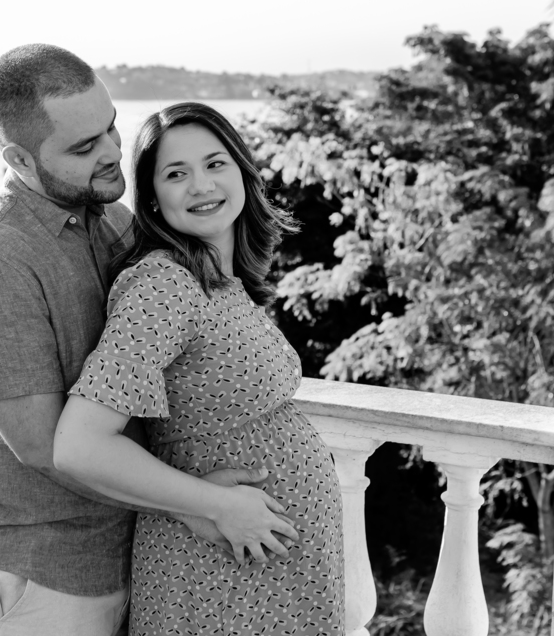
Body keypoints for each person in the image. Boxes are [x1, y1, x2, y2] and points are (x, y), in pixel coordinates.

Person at [0, 46, 276, 636]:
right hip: (31, 578)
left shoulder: (114, 223)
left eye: (110, 126)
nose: (114, 152)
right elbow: (45, 447)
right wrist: (202, 503)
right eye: (83, 147)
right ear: (18, 157)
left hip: (128, 561)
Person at [53, 101, 346, 635]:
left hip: (266, 572)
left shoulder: (221, 281)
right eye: (175, 173)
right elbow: (80, 445)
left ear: (241, 171)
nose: (201, 185)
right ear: (155, 201)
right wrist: (216, 506)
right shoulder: (165, 284)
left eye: (215, 164)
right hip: (214, 575)